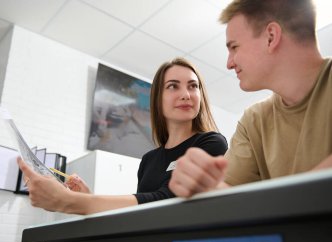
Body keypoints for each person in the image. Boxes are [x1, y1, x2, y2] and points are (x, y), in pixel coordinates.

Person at [17, 57, 228, 214]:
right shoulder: (149, 160)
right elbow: (140, 213)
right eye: (173, 86)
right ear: (157, 99)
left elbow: (167, 199)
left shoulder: (211, 142)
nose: (186, 94)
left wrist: (69, 201)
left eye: (193, 86)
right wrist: (86, 198)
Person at [169, 0, 332, 198]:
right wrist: (203, 187)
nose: (229, 63)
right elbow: (228, 196)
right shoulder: (253, 120)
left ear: (271, 37)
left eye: (234, 47)